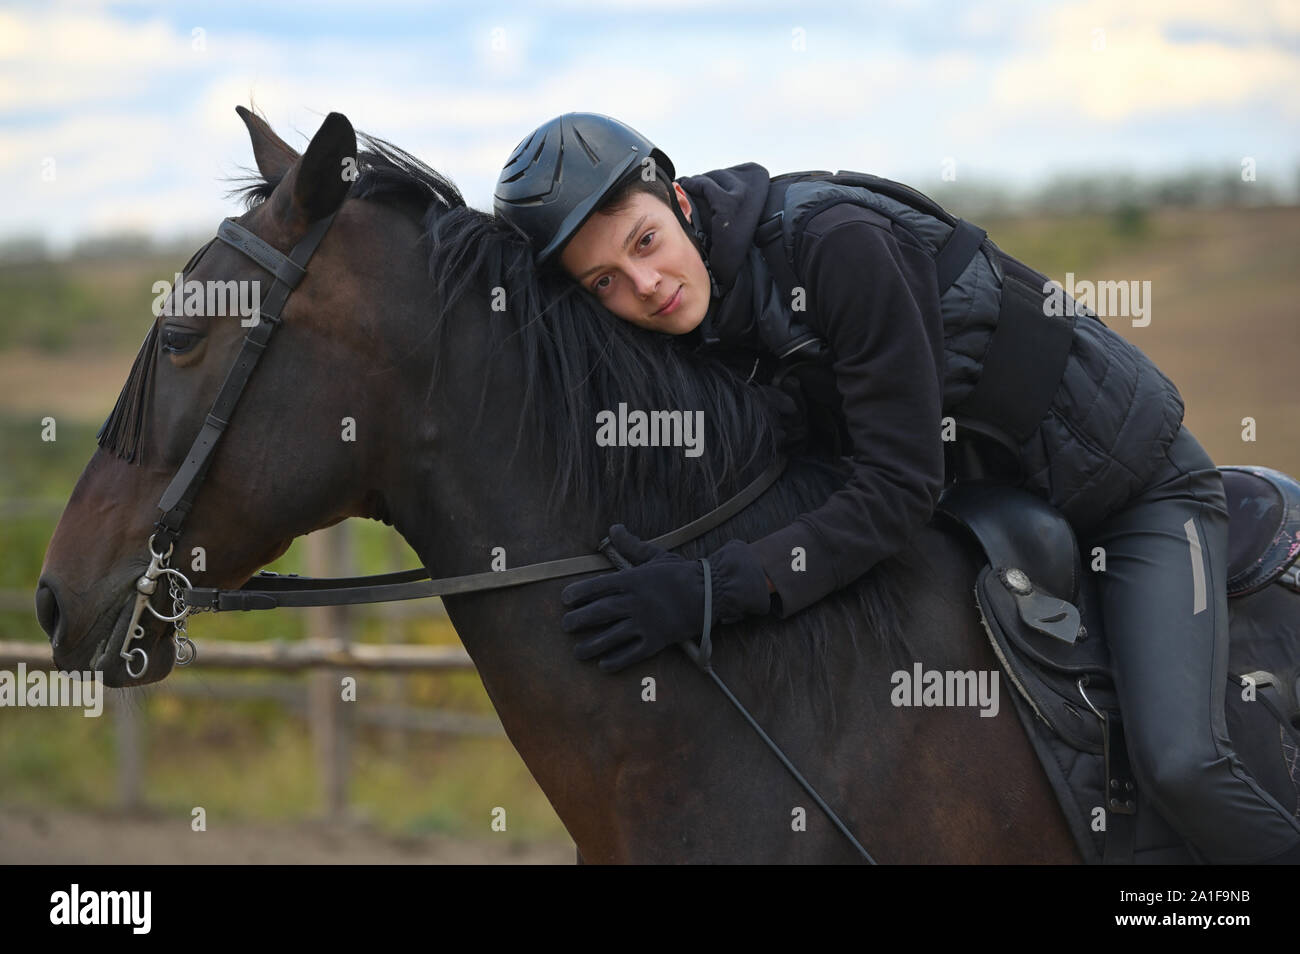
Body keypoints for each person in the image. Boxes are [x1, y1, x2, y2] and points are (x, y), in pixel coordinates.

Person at [492, 112, 1300, 864]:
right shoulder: (703, 318)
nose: (646, 285)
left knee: (1183, 764)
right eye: (605, 282)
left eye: (645, 241)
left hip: (1131, 496)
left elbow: (894, 486)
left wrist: (716, 588)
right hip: (990, 515)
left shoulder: (837, 244)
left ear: (677, 199)